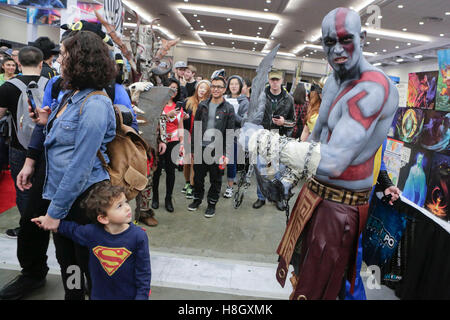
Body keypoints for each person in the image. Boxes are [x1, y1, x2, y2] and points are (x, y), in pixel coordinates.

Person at [243, 7, 399, 300]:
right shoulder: (334, 82)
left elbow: (333, 159)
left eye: (345, 39)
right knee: (300, 279)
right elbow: (315, 139)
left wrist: (264, 141)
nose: (337, 49)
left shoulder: (372, 89)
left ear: (362, 37)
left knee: (319, 292)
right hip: (314, 195)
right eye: (329, 42)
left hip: (340, 208)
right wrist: (289, 179)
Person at [21, 31, 117, 300]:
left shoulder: (96, 103)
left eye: (63, 54)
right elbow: (65, 144)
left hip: (83, 200)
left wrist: (55, 211)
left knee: (88, 264)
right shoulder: (69, 96)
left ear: (79, 59)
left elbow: (80, 165)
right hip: (63, 194)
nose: (58, 60)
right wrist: (46, 122)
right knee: (69, 264)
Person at [32, 181, 151, 300]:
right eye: (119, 206)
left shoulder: (138, 236)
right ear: (103, 218)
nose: (127, 208)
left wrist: (142, 296)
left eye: (125, 202)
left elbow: (143, 272)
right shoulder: (92, 233)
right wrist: (49, 222)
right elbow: (71, 230)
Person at [0, 46, 45, 239]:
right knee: (44, 186)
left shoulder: (8, 87)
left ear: (18, 63)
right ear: (41, 64)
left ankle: (27, 229)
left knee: (23, 188)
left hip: (19, 146)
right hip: (46, 147)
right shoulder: (51, 84)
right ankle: (44, 222)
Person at [188, 76, 235, 218]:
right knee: (198, 178)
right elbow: (195, 128)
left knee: (215, 179)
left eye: (219, 87)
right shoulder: (203, 105)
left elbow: (230, 133)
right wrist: (192, 149)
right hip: (200, 148)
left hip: (217, 150)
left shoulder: (228, 108)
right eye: (213, 86)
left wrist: (226, 154)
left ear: (224, 89)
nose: (216, 89)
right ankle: (197, 200)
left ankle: (211, 204)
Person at [252, 69, 295, 211]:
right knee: (262, 169)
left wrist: (284, 122)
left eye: (277, 80)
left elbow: (294, 122)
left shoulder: (289, 99)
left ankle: (279, 198)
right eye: (272, 80)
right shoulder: (261, 97)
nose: (275, 82)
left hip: (280, 139)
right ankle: (261, 197)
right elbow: (253, 117)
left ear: (282, 81)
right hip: (263, 137)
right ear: (269, 80)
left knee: (278, 172)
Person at [151, 78, 184, 212]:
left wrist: (182, 142)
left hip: (173, 141)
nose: (173, 90)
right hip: (158, 141)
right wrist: (166, 114)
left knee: (171, 171)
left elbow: (180, 125)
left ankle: (168, 199)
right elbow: (152, 121)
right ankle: (155, 198)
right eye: (171, 87)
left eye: (176, 88)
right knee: (157, 171)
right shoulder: (158, 104)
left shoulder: (178, 107)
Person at [181, 79, 211, 199]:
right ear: (197, 89)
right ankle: (187, 183)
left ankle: (192, 186)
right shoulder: (188, 101)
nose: (202, 90)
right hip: (188, 134)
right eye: (200, 87)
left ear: (208, 91)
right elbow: (180, 117)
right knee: (186, 163)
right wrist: (184, 117)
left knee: (194, 163)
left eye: (205, 88)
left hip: (199, 137)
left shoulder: (209, 104)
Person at [223, 75, 249, 198]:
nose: (233, 86)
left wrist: (232, 112)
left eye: (236, 84)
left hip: (234, 135)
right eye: (231, 83)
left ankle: (229, 187)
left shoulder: (244, 102)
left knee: (231, 162)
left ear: (240, 86)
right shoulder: (223, 98)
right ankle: (216, 184)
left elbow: (244, 121)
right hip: (220, 133)